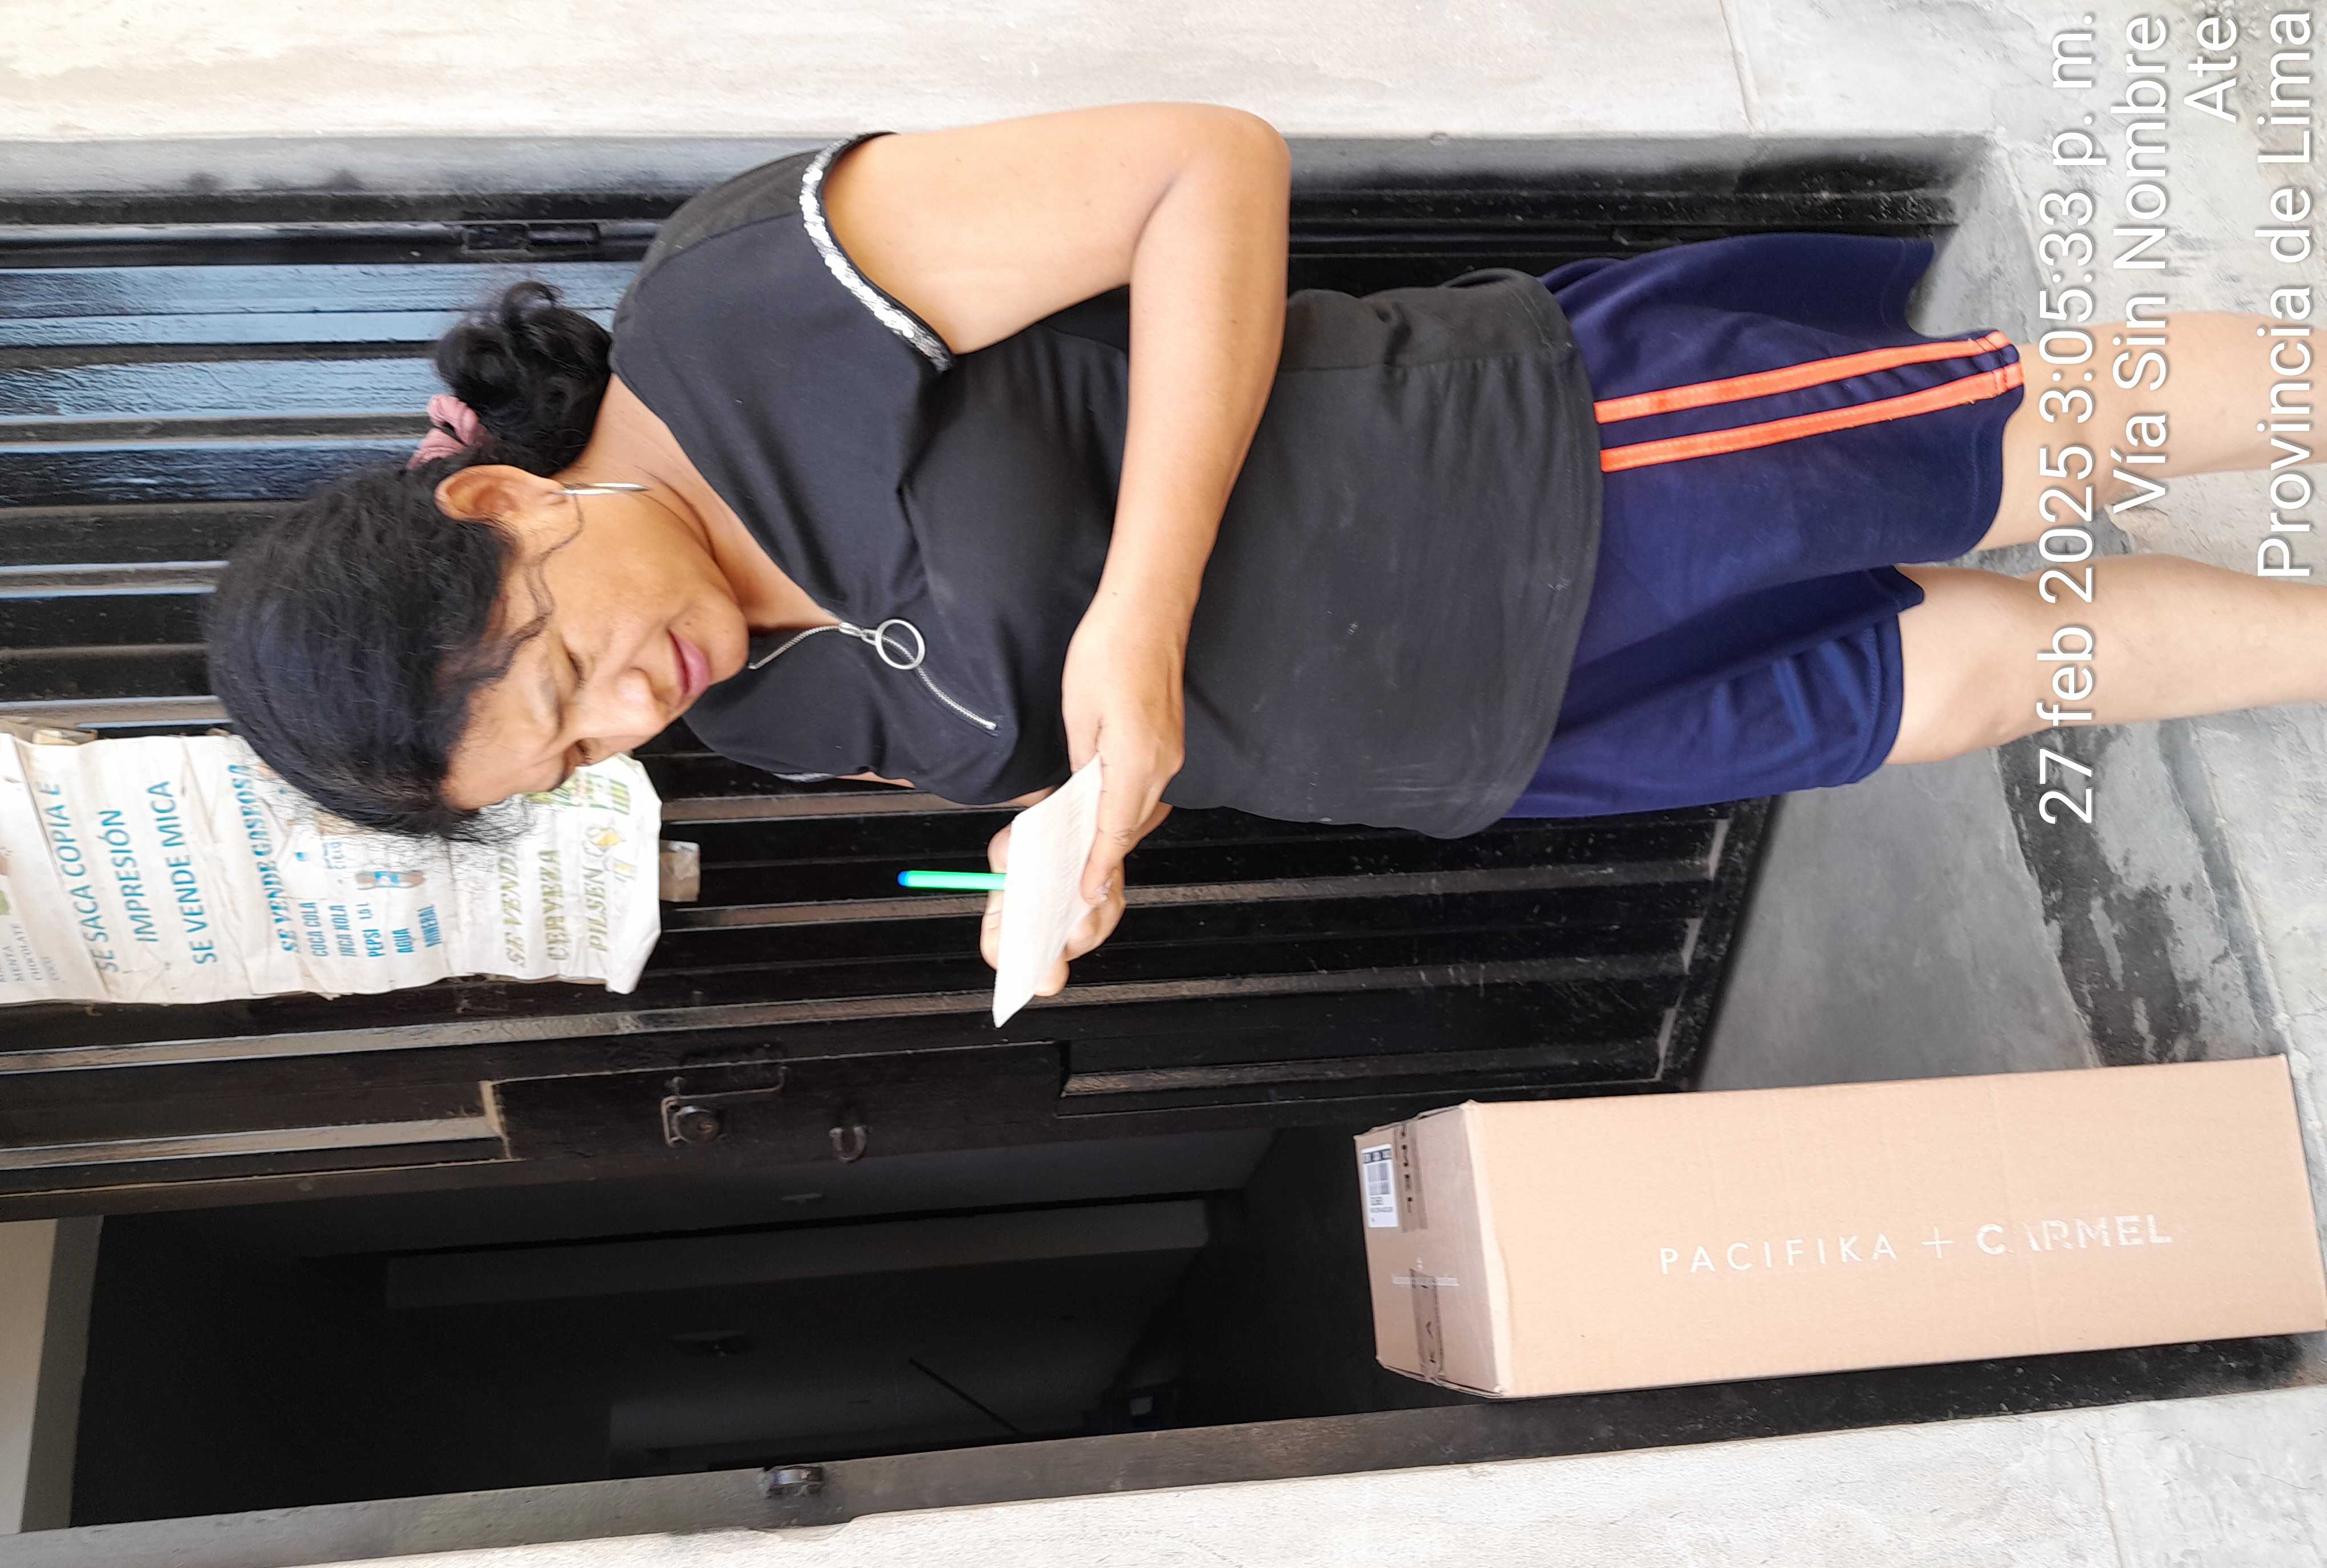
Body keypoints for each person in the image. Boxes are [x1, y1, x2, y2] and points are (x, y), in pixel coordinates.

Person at [206, 103, 2319, 1002]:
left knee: (2014, 447)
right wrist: (1071, 841)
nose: (626, 715)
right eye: (577, 756)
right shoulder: (743, 717)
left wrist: (1135, 622)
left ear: (499, 505)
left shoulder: (748, 306)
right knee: (1959, 682)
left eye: (563, 673)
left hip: (1501, 471)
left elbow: (1203, 166)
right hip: (1468, 737)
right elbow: (1068, 731)